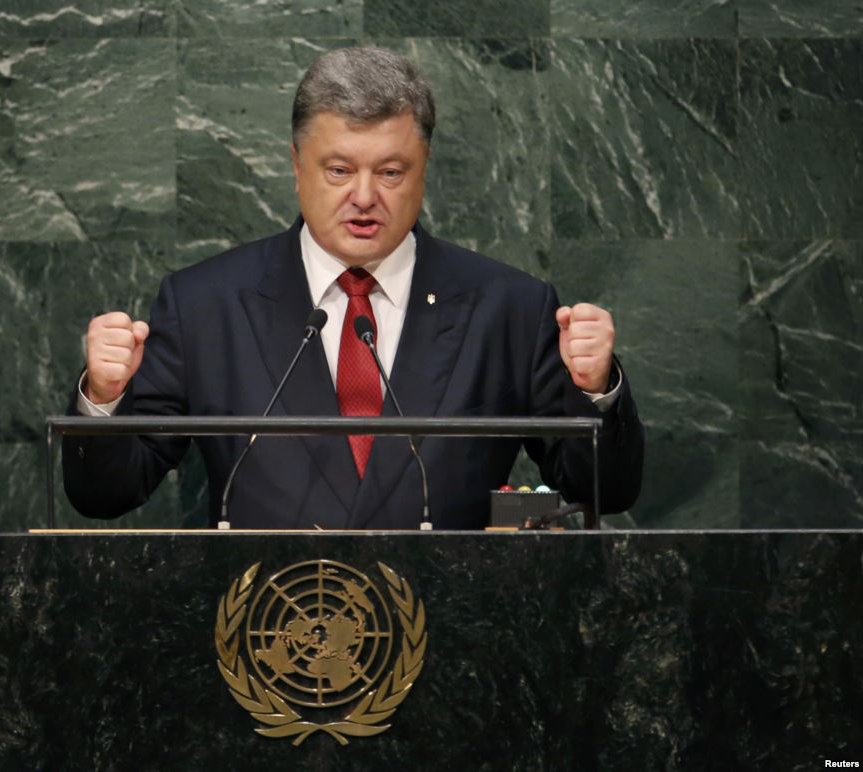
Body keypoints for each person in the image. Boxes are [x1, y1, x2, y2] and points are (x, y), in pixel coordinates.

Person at [63, 46, 643, 529]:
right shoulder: (205, 305)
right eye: (338, 170)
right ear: (296, 165)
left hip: (456, 639)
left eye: (390, 172)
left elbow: (604, 491)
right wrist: (104, 398)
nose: (364, 197)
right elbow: (105, 495)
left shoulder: (508, 308)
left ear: (424, 166)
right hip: (265, 639)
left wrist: (596, 390)